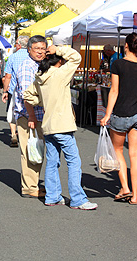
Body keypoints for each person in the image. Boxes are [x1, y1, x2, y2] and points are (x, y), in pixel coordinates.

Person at [23, 45, 98, 210]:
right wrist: (58, 48)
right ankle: (78, 199)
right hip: (62, 124)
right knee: (73, 161)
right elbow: (76, 57)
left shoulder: (40, 77)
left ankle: (53, 196)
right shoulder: (60, 74)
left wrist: (42, 101)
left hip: (48, 125)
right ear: (60, 61)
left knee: (52, 161)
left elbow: (27, 95)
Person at [100, 33, 137, 205]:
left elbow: (114, 91)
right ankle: (134, 195)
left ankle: (125, 187)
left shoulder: (118, 64)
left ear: (126, 45)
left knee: (118, 151)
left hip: (121, 112)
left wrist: (107, 114)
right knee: (135, 154)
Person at [14, 35, 48, 198]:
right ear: (29, 50)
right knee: (29, 151)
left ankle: (33, 184)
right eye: (37, 49)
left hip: (38, 115)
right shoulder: (27, 66)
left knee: (36, 150)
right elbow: (26, 94)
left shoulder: (40, 65)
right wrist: (32, 117)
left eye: (43, 48)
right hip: (29, 116)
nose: (40, 52)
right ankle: (29, 187)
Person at [2, 35, 29, 147]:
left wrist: (4, 91)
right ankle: (26, 135)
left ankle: (13, 134)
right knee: (28, 112)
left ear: (18, 45)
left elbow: (8, 76)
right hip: (29, 89)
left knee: (12, 112)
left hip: (14, 90)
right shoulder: (31, 57)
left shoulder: (13, 57)